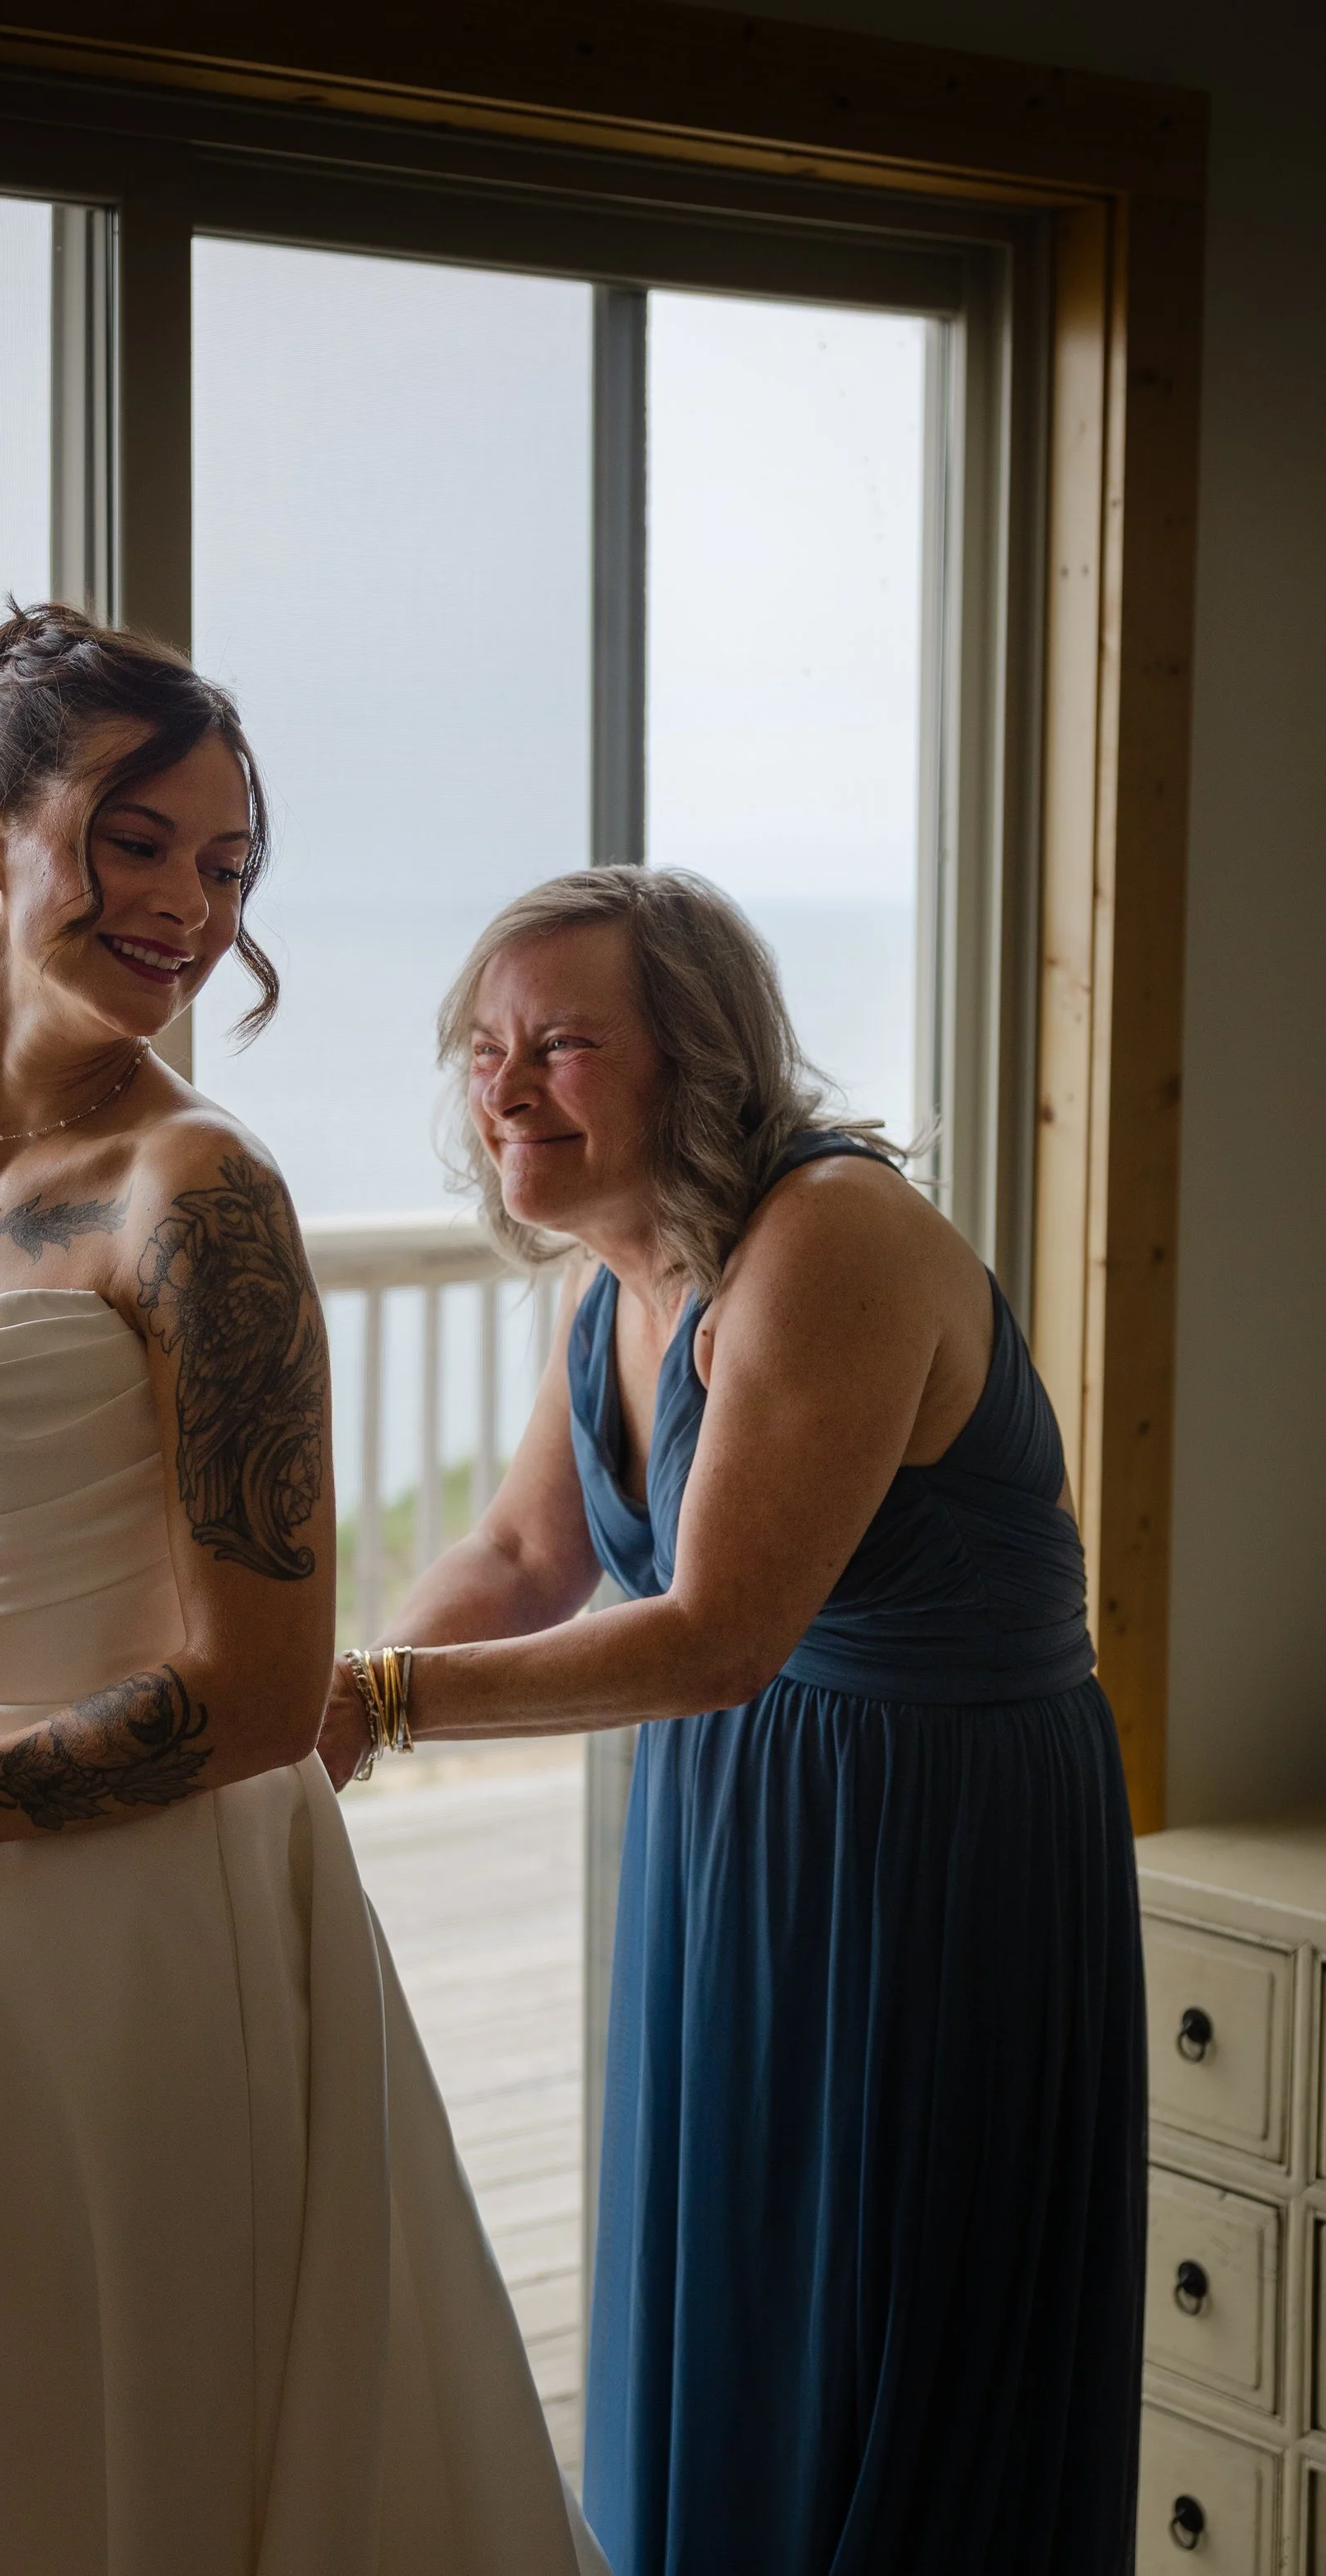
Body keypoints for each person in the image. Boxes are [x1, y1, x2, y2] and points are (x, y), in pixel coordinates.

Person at [0, 606, 605, 2576]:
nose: (184, 907)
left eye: (226, 865)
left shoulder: (199, 1196)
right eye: (134, 841)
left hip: (132, 1915)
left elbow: (260, 1696)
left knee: (105, 2431)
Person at [317, 866, 1146, 2576]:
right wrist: (311, 1714)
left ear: (692, 1059)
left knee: (886, 2332)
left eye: (558, 1043)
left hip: (931, 1844)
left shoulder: (825, 1239)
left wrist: (379, 1704)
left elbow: (712, 1633)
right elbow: (525, 1550)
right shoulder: (609, 1279)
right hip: (730, 1831)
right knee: (737, 2290)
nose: (501, 1086)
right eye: (481, 1047)